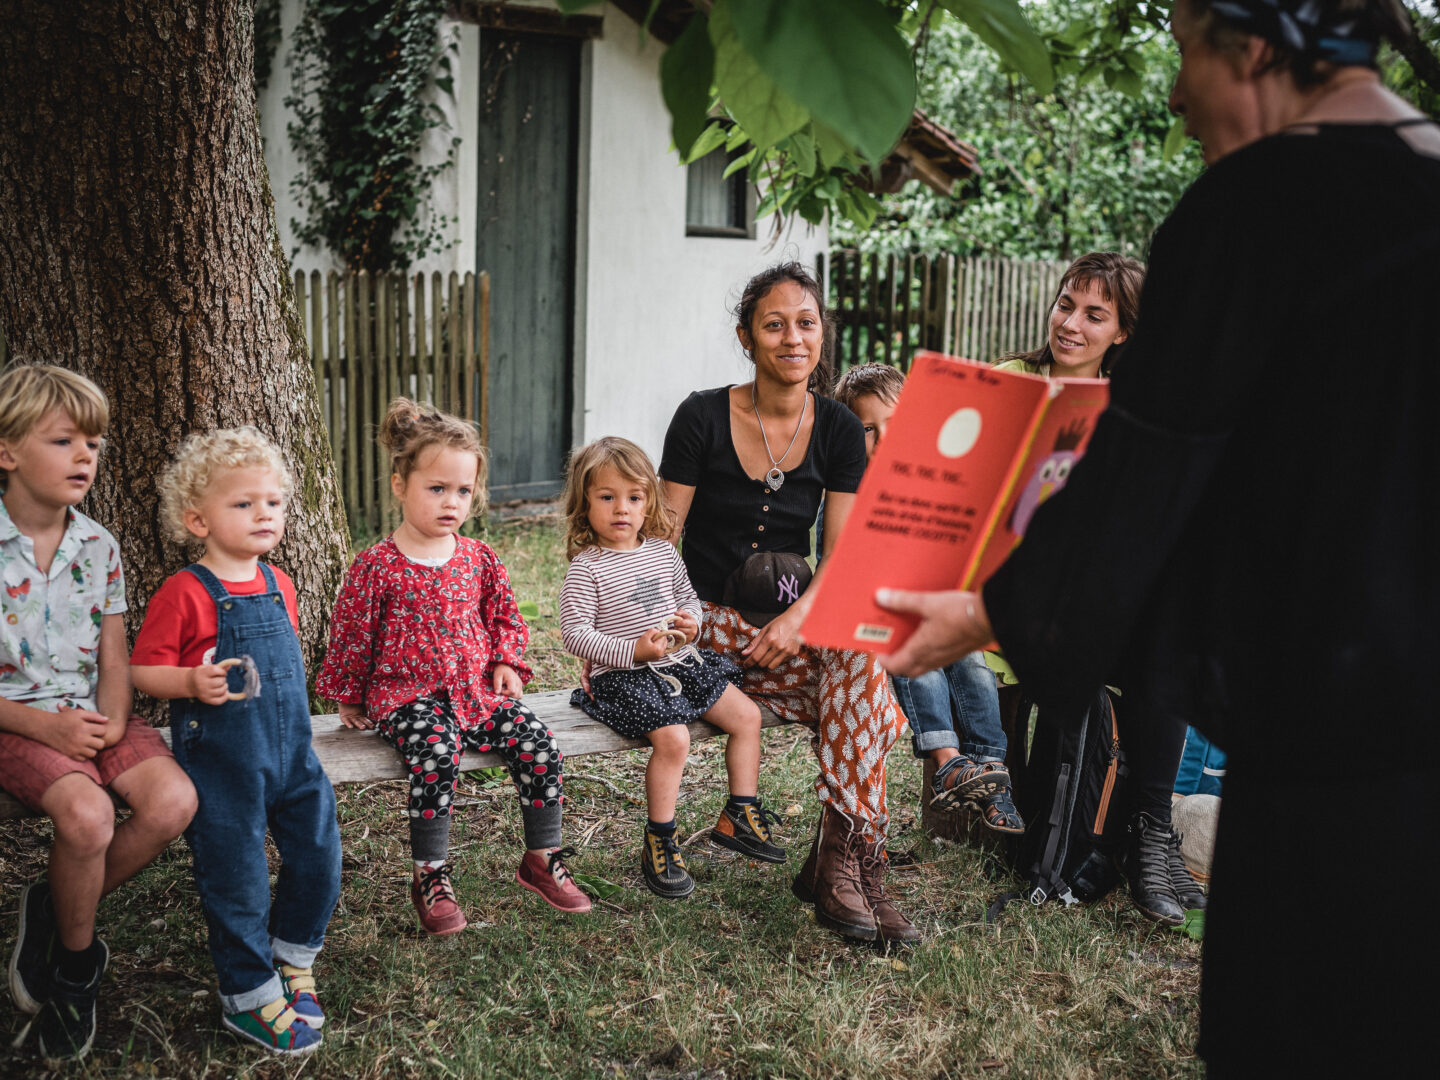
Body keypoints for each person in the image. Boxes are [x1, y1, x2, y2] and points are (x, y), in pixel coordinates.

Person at [877, 0, 1439, 1071]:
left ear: (1261, 45)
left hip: (1336, 730)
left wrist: (990, 608)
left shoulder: (1263, 204)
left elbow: (1148, 471)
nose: (1178, 94)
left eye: (1187, 51)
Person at [660, 262, 915, 946]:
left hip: (791, 629)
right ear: (747, 337)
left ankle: (847, 862)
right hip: (705, 628)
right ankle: (854, 863)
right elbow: (659, 543)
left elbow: (843, 555)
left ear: (822, 334)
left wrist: (802, 621)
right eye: (774, 324)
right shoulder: (701, 416)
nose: (793, 338)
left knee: (856, 658)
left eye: (806, 323)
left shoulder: (836, 427)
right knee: (871, 704)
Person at [317, 399, 590, 935]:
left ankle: (541, 857)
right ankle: (430, 875)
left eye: (462, 491)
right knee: (437, 751)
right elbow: (352, 634)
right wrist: (348, 694)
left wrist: (508, 661)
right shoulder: (377, 565)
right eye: (436, 488)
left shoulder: (477, 557)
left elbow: (504, 616)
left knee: (538, 740)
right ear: (401, 485)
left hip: (474, 693)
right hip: (406, 696)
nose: (451, 502)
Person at [0, 365, 196, 1061]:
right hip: (15, 722)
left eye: (94, 443)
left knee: (172, 801)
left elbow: (114, 655)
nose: (85, 455)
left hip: (93, 712)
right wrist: (42, 728)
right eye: (64, 441)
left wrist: (114, 722)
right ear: (8, 451)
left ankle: (52, 907)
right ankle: (76, 967)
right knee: (86, 817)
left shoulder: (99, 545)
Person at [131, 427, 340, 1056]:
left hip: (294, 759)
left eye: (272, 502)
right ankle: (249, 996)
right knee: (238, 878)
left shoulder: (280, 584)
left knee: (319, 856)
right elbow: (142, 671)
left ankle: (292, 958)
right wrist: (190, 680)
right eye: (243, 504)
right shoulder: (187, 591)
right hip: (224, 765)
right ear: (198, 518)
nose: (263, 514)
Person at [560, 436, 784, 900]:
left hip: (682, 664)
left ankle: (739, 813)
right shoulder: (588, 568)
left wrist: (691, 622)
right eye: (607, 497)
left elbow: (686, 600)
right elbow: (574, 634)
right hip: (623, 676)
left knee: (747, 717)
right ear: (584, 505)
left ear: (649, 503)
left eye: (634, 497)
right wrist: (631, 653)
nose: (622, 509)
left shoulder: (662, 552)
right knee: (675, 738)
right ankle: (660, 838)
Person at [832, 363, 1022, 834]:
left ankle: (991, 775)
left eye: (894, 424)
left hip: (935, 607)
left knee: (972, 662)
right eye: (867, 430)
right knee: (918, 659)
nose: (882, 439)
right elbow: (842, 564)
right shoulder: (849, 492)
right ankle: (946, 759)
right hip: (885, 616)